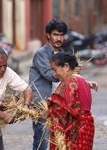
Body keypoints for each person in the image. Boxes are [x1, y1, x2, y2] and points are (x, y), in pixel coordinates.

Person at [29, 18, 69, 150]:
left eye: (61, 35)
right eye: (56, 34)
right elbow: (48, 74)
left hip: (58, 103)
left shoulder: (63, 54)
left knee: (59, 139)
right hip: (42, 103)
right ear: (48, 35)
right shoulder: (41, 54)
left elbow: (69, 79)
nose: (59, 38)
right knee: (42, 141)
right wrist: (68, 72)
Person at [47, 52, 95, 149]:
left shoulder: (70, 81)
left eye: (55, 70)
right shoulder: (83, 81)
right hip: (86, 128)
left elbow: (60, 109)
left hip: (76, 130)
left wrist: (46, 113)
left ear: (66, 66)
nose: (54, 74)